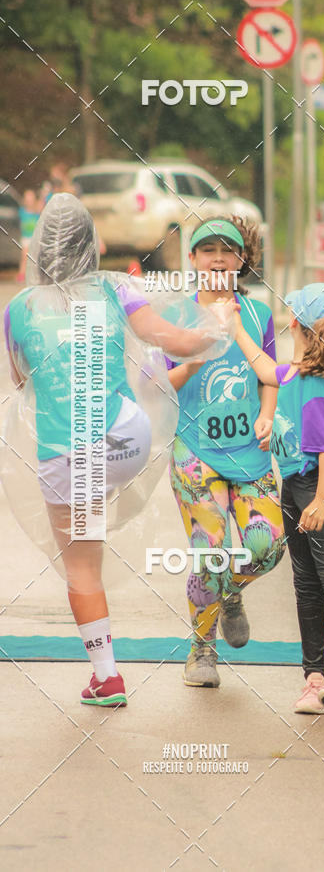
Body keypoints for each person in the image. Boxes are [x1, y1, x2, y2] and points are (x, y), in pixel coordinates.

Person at [3, 193, 223, 707]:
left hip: (70, 459)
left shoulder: (17, 309)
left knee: (82, 568)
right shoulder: (115, 287)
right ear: (90, 243)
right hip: (128, 440)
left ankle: (107, 677)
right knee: (140, 390)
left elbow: (21, 380)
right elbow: (168, 337)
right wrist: (217, 330)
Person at [233, 281, 324, 712]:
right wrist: (236, 329)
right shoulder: (295, 375)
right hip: (296, 486)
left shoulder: (316, 387)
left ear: (294, 323)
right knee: (306, 585)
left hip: (322, 485)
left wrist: (320, 501)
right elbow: (265, 370)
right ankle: (314, 678)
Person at [166, 218, 286, 689]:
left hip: (249, 452)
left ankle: (231, 593)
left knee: (268, 545)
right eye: (207, 249)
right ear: (192, 260)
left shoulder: (257, 315)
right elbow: (157, 382)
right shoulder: (175, 316)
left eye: (227, 250)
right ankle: (202, 650)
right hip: (196, 452)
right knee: (209, 553)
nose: (217, 257)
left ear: (241, 261)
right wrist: (199, 350)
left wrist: (268, 414)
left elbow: (268, 375)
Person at [17, 189, 41, 283]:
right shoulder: (22, 211)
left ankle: (37, 275)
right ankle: (22, 274)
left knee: (36, 257)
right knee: (24, 257)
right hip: (26, 237)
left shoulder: (37, 211)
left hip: (35, 238)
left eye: (31, 199)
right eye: (27, 199)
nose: (29, 202)